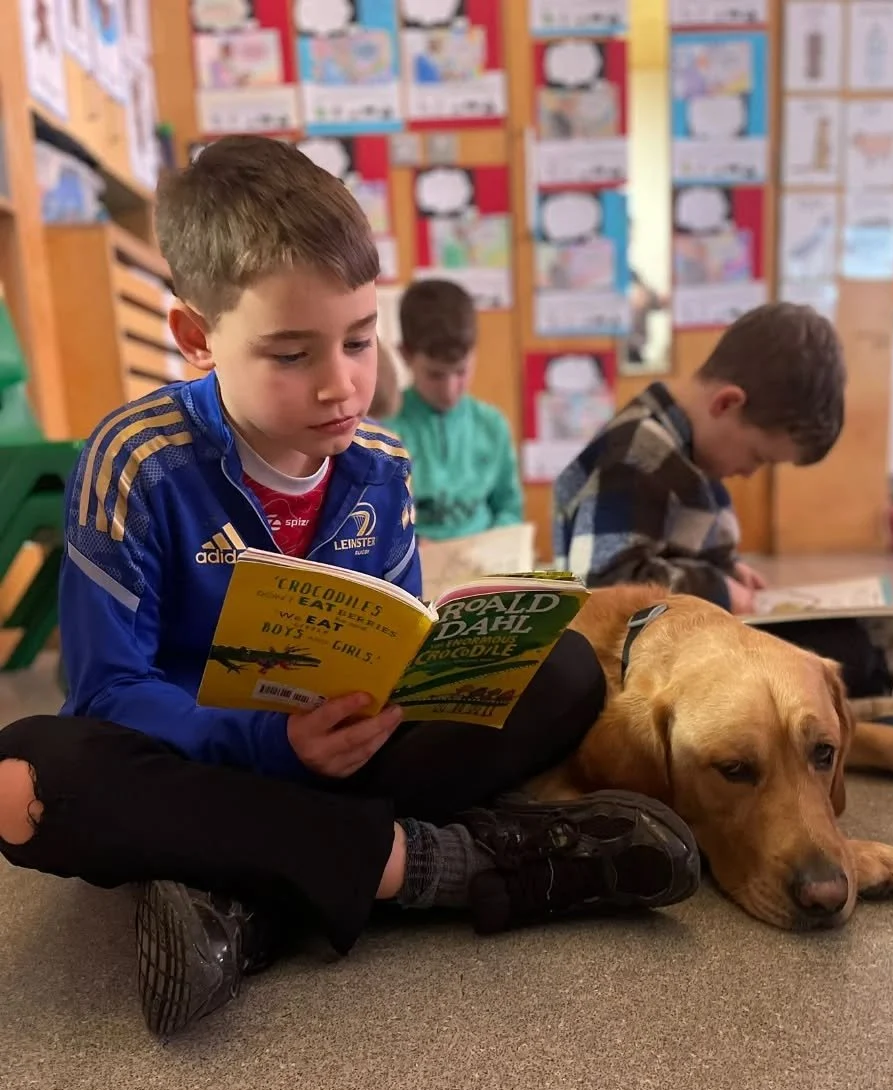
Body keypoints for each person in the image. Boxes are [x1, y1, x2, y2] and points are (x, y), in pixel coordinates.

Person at [0, 137, 699, 1040]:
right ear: (197, 337)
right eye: (290, 354)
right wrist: (272, 743)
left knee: (564, 673)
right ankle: (448, 865)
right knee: (23, 779)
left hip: (335, 755)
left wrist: (436, 671)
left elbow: (396, 646)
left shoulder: (379, 465)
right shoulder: (135, 460)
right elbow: (106, 693)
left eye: (360, 340)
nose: (342, 386)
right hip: (193, 757)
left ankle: (243, 896)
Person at [554, 302, 846, 616]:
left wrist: (729, 569)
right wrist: (717, 590)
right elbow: (607, 586)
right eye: (757, 457)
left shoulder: (698, 451)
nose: (749, 472)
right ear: (726, 404)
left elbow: (685, 545)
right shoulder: (635, 457)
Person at [385, 278, 524, 541]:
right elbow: (373, 521)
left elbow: (509, 509)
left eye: (461, 372)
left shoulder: (491, 425)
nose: (449, 390)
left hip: (484, 567)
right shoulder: (384, 430)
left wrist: (496, 540)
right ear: (405, 355)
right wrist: (404, 544)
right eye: (435, 375)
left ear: (475, 352)